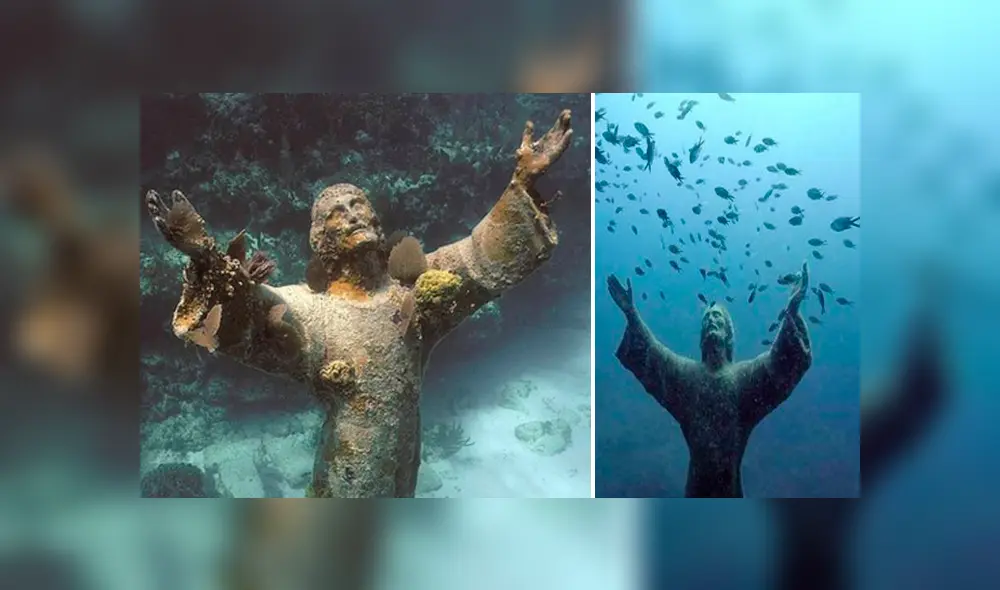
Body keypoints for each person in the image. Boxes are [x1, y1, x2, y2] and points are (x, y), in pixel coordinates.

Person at [145, 109, 574, 497]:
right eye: (336, 212)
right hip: (349, 474)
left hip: (406, 462)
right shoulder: (314, 310)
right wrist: (207, 258)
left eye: (358, 205)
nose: (350, 214)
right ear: (319, 239)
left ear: (375, 219)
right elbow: (255, 314)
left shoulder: (416, 292)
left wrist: (521, 184)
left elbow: (478, 258)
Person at [606, 261, 812, 497]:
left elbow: (778, 363)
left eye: (717, 318)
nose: (711, 321)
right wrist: (631, 313)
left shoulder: (745, 379)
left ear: (728, 332)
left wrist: (792, 309)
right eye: (707, 319)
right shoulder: (685, 376)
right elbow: (653, 354)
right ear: (702, 334)